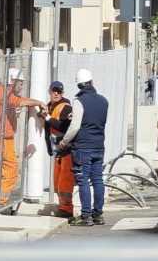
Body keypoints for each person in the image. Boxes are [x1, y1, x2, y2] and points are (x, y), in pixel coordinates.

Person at [0, 68, 46, 208]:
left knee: (0, 170)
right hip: (2, 138)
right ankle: (0, 203)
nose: (22, 86)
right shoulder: (5, 94)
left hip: (1, 138)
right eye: (20, 83)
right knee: (12, 169)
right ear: (12, 81)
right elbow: (20, 101)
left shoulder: (2, 92)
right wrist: (39, 102)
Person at [60, 68, 109, 227]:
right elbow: (99, 122)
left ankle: (86, 216)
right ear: (92, 82)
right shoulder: (103, 100)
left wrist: (64, 141)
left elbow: (75, 126)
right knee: (97, 180)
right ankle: (98, 215)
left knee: (83, 181)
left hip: (82, 147)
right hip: (99, 145)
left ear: (79, 85)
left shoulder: (78, 101)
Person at [38, 81, 74, 219]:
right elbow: (48, 129)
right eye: (54, 91)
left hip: (67, 150)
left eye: (58, 91)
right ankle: (63, 206)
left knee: (65, 181)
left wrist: (46, 116)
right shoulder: (50, 107)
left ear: (63, 93)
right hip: (57, 151)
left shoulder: (65, 107)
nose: (56, 93)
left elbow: (63, 127)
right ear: (49, 92)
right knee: (58, 182)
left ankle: (66, 209)